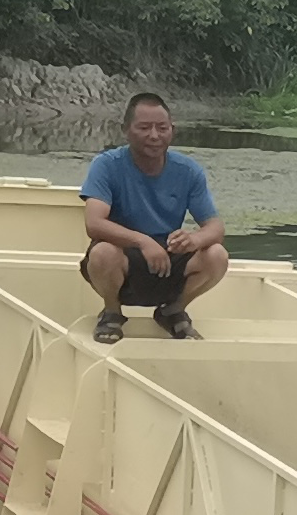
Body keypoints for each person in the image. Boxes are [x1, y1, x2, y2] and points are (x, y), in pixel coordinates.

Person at [80, 93, 227, 343]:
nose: (154, 136)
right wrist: (142, 241)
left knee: (216, 255)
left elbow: (215, 226)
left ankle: (172, 310)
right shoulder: (107, 165)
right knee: (102, 252)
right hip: (124, 258)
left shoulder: (188, 170)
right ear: (126, 130)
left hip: (167, 257)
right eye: (144, 128)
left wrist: (193, 240)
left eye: (162, 128)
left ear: (172, 130)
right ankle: (112, 312)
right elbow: (94, 224)